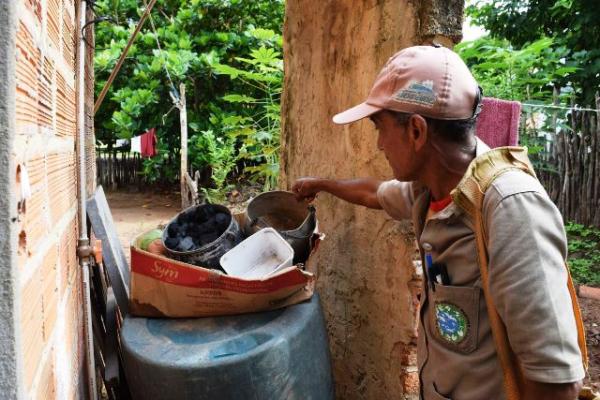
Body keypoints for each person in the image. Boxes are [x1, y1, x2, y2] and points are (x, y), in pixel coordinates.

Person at [292, 45, 586, 400]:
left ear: (416, 131)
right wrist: (322, 185)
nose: (380, 144)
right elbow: (374, 193)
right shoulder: (428, 191)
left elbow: (557, 381)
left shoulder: (509, 208)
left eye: (380, 128)